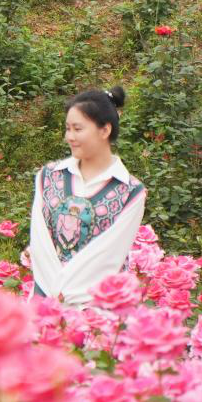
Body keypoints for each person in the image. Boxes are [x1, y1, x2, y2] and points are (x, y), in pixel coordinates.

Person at [28, 86, 144, 305]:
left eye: (77, 129)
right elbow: (40, 242)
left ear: (104, 130)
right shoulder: (49, 176)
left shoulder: (130, 192)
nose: (69, 137)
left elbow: (108, 256)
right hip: (45, 301)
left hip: (97, 311)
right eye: (67, 129)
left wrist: (68, 298)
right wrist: (54, 297)